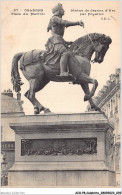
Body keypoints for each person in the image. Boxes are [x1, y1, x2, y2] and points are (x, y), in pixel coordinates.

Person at [46, 3, 84, 78]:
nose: (64, 11)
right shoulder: (54, 18)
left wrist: (68, 42)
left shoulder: (55, 18)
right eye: (62, 9)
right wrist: (77, 23)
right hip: (55, 41)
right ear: (58, 10)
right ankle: (63, 72)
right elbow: (65, 23)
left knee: (71, 53)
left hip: (59, 40)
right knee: (65, 53)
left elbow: (60, 37)